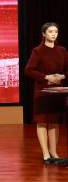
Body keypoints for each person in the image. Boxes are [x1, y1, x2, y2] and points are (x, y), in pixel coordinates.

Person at [24, 21, 67, 163]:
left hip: (57, 91)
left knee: (54, 122)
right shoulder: (38, 51)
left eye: (56, 31)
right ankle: (45, 153)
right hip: (42, 91)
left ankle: (54, 152)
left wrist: (62, 76)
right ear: (44, 34)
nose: (54, 34)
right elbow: (28, 70)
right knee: (42, 122)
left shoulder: (62, 50)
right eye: (50, 31)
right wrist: (46, 77)